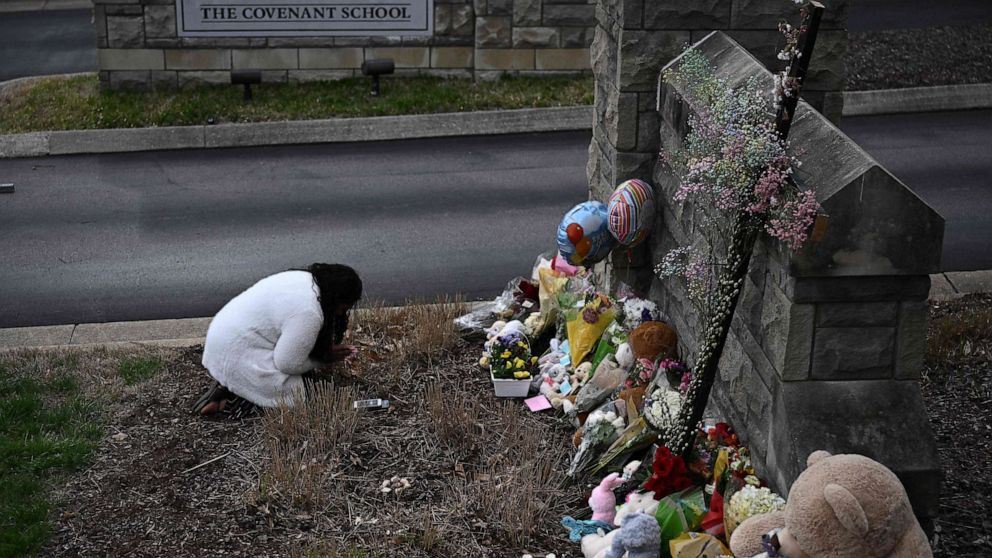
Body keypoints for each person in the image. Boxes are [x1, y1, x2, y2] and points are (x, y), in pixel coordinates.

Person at [193, 263, 363, 416]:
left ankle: (233, 384)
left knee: (306, 379)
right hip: (236, 356)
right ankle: (234, 401)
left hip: (221, 343)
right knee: (305, 398)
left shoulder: (305, 280)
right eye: (343, 308)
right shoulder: (309, 312)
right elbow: (288, 364)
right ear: (336, 300)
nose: (341, 314)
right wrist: (324, 358)